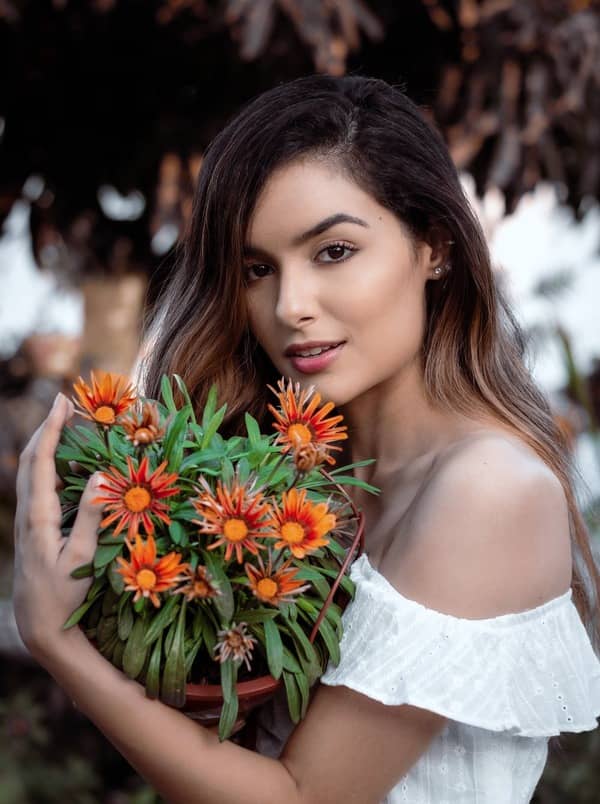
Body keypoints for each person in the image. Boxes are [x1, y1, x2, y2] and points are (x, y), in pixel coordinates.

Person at [13, 74, 600, 803]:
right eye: (257, 269)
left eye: (333, 252)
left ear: (435, 249)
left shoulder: (489, 490)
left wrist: (57, 641)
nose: (290, 306)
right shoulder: (281, 482)